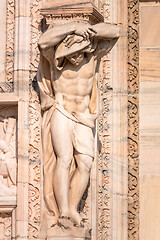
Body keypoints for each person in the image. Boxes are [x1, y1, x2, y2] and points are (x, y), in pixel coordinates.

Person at [38, 20, 119, 226]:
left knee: (85, 163)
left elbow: (115, 31)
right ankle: (64, 211)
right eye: (71, 53)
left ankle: (73, 207)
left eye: (79, 52)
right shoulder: (56, 61)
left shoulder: (92, 58)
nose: (75, 57)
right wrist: (73, 27)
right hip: (62, 111)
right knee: (63, 159)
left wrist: (87, 30)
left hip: (84, 116)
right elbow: (43, 42)